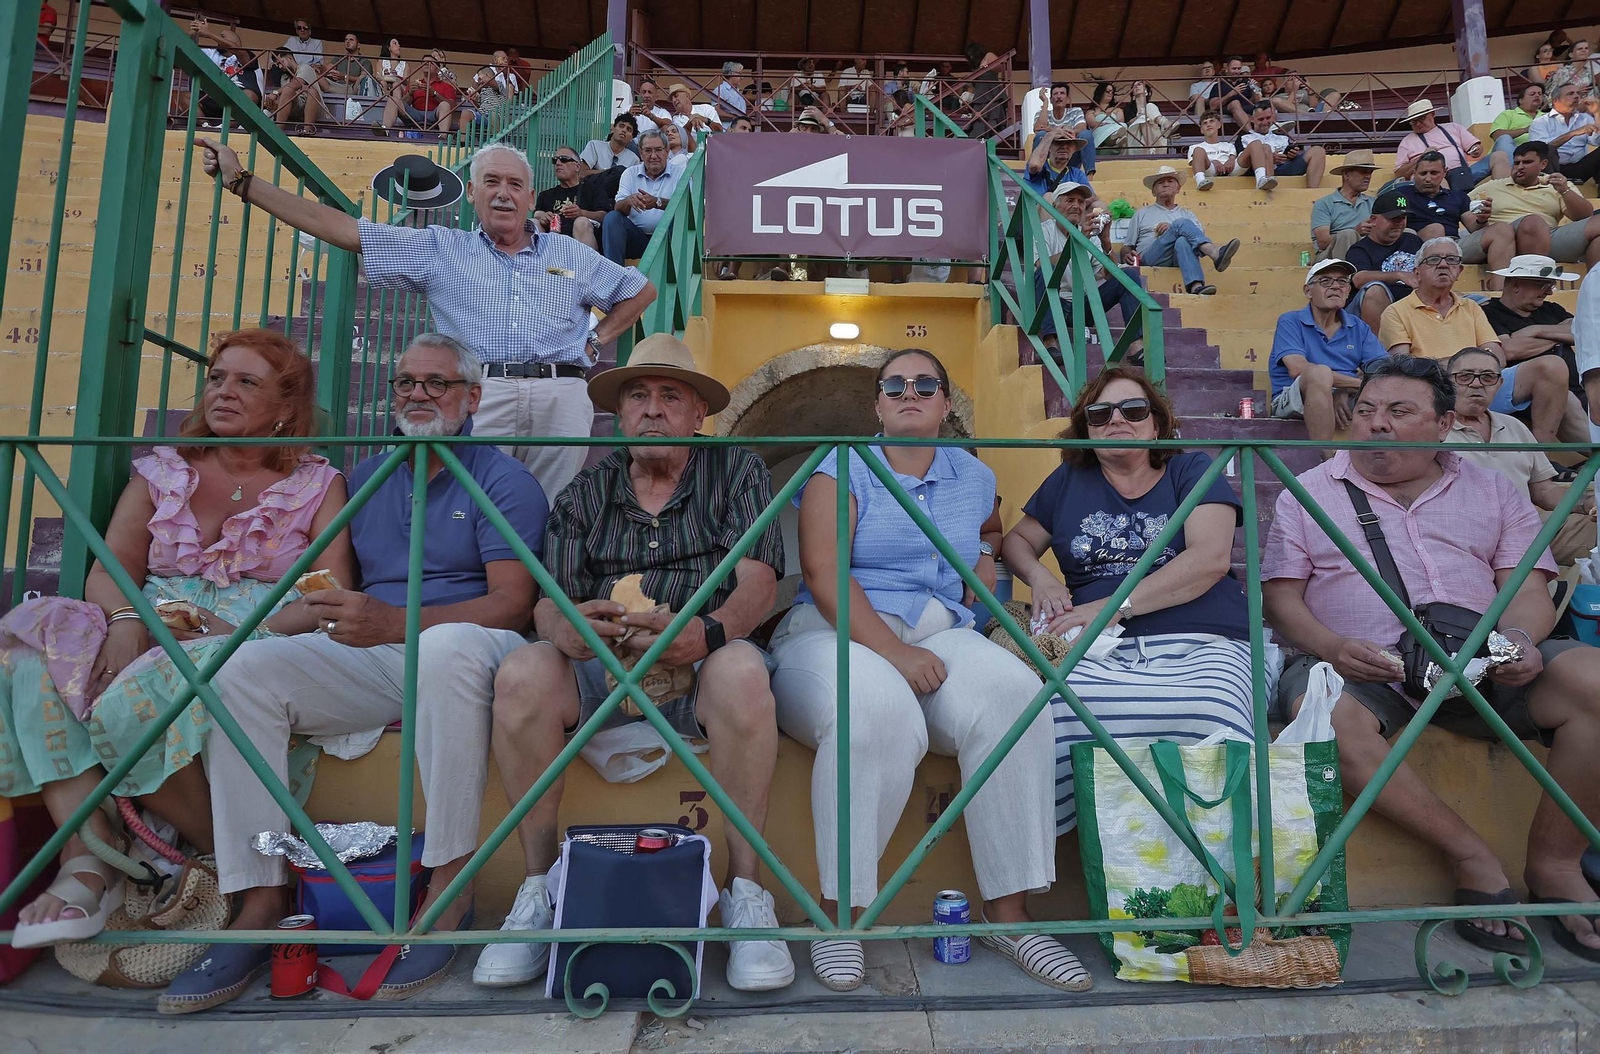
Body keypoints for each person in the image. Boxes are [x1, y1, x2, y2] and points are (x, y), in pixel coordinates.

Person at [152, 334, 546, 1012]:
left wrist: (397, 623)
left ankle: (449, 889)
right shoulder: (365, 478)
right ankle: (261, 896)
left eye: (437, 383)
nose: (418, 395)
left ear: (473, 398)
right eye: (406, 383)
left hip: (475, 646)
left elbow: (512, 604)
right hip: (376, 648)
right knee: (238, 669)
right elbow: (334, 585)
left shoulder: (505, 480)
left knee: (447, 648)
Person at [0, 330, 350, 951]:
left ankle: (230, 862)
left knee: (133, 697)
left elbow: (329, 592)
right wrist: (127, 622)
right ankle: (88, 855)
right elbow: (111, 569)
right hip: (145, 614)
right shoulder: (164, 470)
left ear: (286, 407)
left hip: (253, 632)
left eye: (247, 382)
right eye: (217, 378)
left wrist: (245, 631)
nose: (224, 392)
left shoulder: (318, 484)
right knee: (29, 650)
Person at [480, 334, 794, 993]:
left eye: (670, 396)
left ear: (698, 414)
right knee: (522, 674)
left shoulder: (737, 472)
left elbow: (759, 581)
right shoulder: (585, 491)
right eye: (638, 396)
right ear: (620, 414)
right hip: (601, 665)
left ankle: (746, 896)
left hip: (702, 663)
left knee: (743, 672)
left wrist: (706, 632)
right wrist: (569, 630)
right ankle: (539, 891)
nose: (652, 410)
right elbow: (548, 601)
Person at [1264, 354, 1600, 963]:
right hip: (1366, 669)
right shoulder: (1307, 492)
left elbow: (1527, 587)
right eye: (1366, 410)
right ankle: (1472, 856)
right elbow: (1281, 601)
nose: (1377, 424)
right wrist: (1333, 647)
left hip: (1486, 660)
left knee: (1593, 680)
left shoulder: (1492, 488)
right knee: (1324, 716)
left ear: (1445, 425)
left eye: (1399, 411)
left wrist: (1520, 640)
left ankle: (1556, 864)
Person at [770, 348, 1086, 994]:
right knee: (875, 709)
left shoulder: (973, 474)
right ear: (877, 405)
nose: (908, 392)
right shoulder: (840, 466)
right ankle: (840, 919)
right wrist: (895, 653)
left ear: (945, 403)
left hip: (941, 634)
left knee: (1016, 694)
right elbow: (825, 575)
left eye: (924, 384)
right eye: (894, 385)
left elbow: (991, 527)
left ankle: (1009, 917)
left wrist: (985, 559)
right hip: (835, 632)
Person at [196, 136, 655, 500]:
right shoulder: (442, 247)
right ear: (472, 192)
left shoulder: (568, 252)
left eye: (515, 185)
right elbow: (347, 232)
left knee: (553, 512)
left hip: (561, 392)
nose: (504, 193)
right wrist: (244, 183)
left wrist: (595, 340)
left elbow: (640, 291)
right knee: (471, 508)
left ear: (531, 195)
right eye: (492, 182)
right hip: (480, 394)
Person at [1002, 367, 1257, 835]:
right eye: (1100, 414)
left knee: (1210, 709)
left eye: (1133, 410)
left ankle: (1213, 849)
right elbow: (1016, 541)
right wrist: (1040, 577)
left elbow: (1210, 559)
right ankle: (1106, 846)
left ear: (1156, 423)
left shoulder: (1191, 470)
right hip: (1101, 649)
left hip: (1203, 640)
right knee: (1053, 713)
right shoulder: (1067, 481)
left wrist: (1111, 607)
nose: (1116, 420)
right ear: (1086, 430)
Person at [1377, 236, 1577, 445]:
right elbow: (1405, 367)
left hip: (1482, 381)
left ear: (1459, 271)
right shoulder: (1396, 311)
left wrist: (1465, 370)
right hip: (1436, 388)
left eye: (1451, 260)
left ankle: (1542, 451)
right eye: (1434, 260)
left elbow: (1497, 356)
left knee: (1552, 366)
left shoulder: (1471, 307)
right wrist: (1462, 369)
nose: (1444, 265)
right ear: (1417, 272)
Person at [1444, 347, 1596, 565]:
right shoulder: (1434, 431)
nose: (1477, 384)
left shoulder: (1514, 426)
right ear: (1447, 382)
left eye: (1488, 377)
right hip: (1467, 531)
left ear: (1499, 384)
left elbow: (1544, 491)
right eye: (1465, 376)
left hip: (1530, 527)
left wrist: (1587, 504)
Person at [1270, 259, 1385, 444]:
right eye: (1325, 281)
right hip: (1293, 398)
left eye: (1342, 281)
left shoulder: (1358, 327)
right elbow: (1298, 369)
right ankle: (1326, 456)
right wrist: (1346, 385)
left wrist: (1344, 390)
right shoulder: (1290, 321)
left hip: (1350, 396)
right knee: (1319, 373)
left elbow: (1383, 372)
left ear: (1348, 290)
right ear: (1308, 291)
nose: (1335, 286)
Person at [1482, 255, 1591, 443]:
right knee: (1566, 398)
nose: (1548, 292)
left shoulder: (1552, 309)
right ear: (1516, 285)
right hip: (1536, 396)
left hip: (1584, 389)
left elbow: (1585, 333)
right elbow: (1509, 349)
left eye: (1551, 285)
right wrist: (1559, 335)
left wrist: (1536, 330)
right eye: (1543, 285)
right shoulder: (1488, 312)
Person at [1034, 183, 1146, 357]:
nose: (1076, 206)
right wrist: (1077, 242)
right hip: (1054, 305)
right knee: (1044, 272)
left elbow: (1109, 274)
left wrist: (1106, 241)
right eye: (1070, 200)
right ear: (1055, 205)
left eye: (1080, 202)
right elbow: (1040, 265)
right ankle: (1050, 343)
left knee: (1129, 276)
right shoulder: (1042, 230)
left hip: (1082, 306)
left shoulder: (1090, 235)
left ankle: (1136, 347)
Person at [1403, 152, 1521, 290]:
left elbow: (1474, 228)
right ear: (1414, 173)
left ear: (1444, 172)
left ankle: (1499, 292)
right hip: (1420, 246)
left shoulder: (1457, 197)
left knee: (1503, 229)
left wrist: (1482, 219)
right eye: (1423, 173)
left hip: (1454, 245)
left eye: (1434, 173)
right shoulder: (1402, 195)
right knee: (1435, 229)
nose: (1428, 178)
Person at [1470, 142, 1598, 269]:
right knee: (1532, 221)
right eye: (1516, 163)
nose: (1520, 167)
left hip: (1547, 239)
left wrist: (1564, 190)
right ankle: (1529, 276)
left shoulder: (1559, 185)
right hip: (1505, 241)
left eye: (1527, 162)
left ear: (1543, 164)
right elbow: (1461, 204)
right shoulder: (1493, 186)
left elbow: (1585, 216)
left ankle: (1594, 280)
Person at [1122, 166, 1240, 297]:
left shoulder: (1188, 215)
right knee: (1180, 223)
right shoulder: (1141, 214)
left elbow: (1196, 243)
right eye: (1160, 183)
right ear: (1153, 191)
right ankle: (1214, 252)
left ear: (1178, 189)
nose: (1165, 184)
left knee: (1183, 240)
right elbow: (1127, 246)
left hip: (1179, 257)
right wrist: (1127, 254)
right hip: (1150, 257)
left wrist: (1171, 230)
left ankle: (1196, 286)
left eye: (1170, 181)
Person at [603, 129, 689, 265]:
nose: (653, 156)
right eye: (648, 151)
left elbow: (688, 207)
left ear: (667, 151)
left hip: (668, 239)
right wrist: (629, 201)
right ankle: (614, 273)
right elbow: (618, 207)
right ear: (641, 153)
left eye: (658, 150)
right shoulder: (630, 173)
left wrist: (657, 202)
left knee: (677, 218)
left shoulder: (681, 173)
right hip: (638, 239)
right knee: (612, 218)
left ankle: (674, 271)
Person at [1346, 187, 1425, 334]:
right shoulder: (1359, 249)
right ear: (1373, 220)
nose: (1399, 222)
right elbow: (1358, 279)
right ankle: (1378, 347)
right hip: (1374, 310)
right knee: (1375, 290)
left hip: (1413, 306)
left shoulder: (1413, 240)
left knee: (1470, 300)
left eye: (1403, 217)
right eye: (1393, 218)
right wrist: (1398, 275)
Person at [1394, 99, 1496, 185]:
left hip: (1463, 174)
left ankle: (1501, 193)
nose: (1418, 124)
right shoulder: (1407, 141)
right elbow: (1399, 174)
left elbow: (1476, 147)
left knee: (1498, 157)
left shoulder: (1453, 127)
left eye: (1421, 118)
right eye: (1413, 121)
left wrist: (1476, 149)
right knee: (1436, 178)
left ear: (1433, 114)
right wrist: (1422, 158)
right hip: (1434, 180)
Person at [533, 145, 610, 251]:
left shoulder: (593, 190)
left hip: (582, 241)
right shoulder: (545, 194)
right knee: (534, 223)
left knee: (581, 222)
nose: (558, 163)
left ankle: (584, 262)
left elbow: (604, 215)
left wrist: (582, 213)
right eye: (555, 160)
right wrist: (543, 217)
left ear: (577, 167)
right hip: (553, 242)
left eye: (564, 159)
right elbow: (537, 213)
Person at [1235, 102, 1326, 192]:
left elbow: (1287, 157)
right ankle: (1266, 184)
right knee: (1265, 148)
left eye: (1268, 118)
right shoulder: (1244, 138)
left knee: (1318, 151)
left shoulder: (1282, 137)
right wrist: (1269, 158)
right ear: (1252, 119)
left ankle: (1312, 192)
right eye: (1261, 119)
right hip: (1257, 172)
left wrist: (1291, 155)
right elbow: (1242, 163)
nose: (1265, 122)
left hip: (1283, 168)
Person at [1311, 149, 1378, 261]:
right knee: (1347, 235)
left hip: (1366, 252)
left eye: (1370, 172)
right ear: (1346, 175)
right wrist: (1355, 232)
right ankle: (1345, 272)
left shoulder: (1373, 202)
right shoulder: (1324, 203)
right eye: (1363, 172)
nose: (1368, 176)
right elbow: (1322, 242)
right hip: (1331, 258)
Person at [1530, 81, 1600, 187]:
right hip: (1554, 170)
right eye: (1570, 94)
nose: (1576, 96)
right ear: (1555, 100)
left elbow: (1596, 141)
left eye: (1578, 93)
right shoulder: (1540, 122)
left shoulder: (1585, 118)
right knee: (1549, 149)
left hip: (1580, 167)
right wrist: (1574, 133)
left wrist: (1597, 113)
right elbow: (1542, 149)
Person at [1033, 83, 1095, 175]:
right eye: (1055, 94)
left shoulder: (1076, 111)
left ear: (1067, 99)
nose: (1058, 96)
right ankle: (1038, 175)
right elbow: (1038, 129)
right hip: (1050, 158)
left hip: (1071, 156)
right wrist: (1045, 103)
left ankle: (1089, 177)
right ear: (1051, 99)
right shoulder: (1042, 113)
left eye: (1062, 93)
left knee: (1086, 134)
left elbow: (1081, 128)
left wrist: (1053, 131)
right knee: (1040, 135)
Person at [262, 48, 326, 135]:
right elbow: (285, 99)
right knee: (287, 92)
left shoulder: (305, 68)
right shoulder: (284, 78)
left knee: (312, 92)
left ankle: (307, 131)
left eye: (281, 62)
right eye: (278, 65)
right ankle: (278, 132)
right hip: (296, 110)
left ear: (289, 58)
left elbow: (297, 83)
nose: (280, 67)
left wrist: (275, 93)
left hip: (314, 108)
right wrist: (271, 104)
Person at [1491, 84, 1547, 169]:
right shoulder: (1508, 114)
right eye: (1532, 94)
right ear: (1521, 100)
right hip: (1512, 153)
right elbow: (1497, 135)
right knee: (1504, 138)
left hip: (1537, 154)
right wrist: (1525, 130)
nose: (1537, 96)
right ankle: (1515, 170)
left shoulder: (1546, 117)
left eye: (1540, 94)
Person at [1025, 126, 1092, 196]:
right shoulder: (1040, 166)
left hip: (1063, 203)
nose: (1064, 146)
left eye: (1069, 143)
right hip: (1037, 203)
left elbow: (1092, 198)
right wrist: (1050, 135)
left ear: (1074, 149)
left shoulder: (1077, 174)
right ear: (1049, 147)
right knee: (1048, 196)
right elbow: (1034, 165)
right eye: (1059, 142)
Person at [324, 32, 372, 123]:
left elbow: (364, 78)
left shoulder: (365, 61)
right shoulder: (339, 58)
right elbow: (326, 70)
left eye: (351, 40)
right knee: (316, 76)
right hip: (336, 86)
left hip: (352, 89)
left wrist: (345, 77)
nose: (347, 41)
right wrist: (318, 68)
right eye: (346, 39)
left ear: (358, 45)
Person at [1187, 113, 1238, 191]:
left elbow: (1233, 156)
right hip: (1209, 169)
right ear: (1201, 130)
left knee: (1254, 144)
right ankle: (1201, 181)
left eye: (1211, 121)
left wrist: (1231, 160)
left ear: (1219, 125)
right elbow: (1193, 163)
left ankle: (1259, 178)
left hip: (1231, 169)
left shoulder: (1229, 145)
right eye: (1205, 123)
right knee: (1198, 150)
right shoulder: (1193, 147)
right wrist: (1213, 161)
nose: (1208, 125)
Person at [1118, 80, 1174, 150]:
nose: (1136, 87)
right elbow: (1128, 123)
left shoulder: (1152, 105)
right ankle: (1166, 124)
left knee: (1149, 107)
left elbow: (1157, 125)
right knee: (1143, 119)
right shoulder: (1129, 107)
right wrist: (1140, 116)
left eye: (1139, 84)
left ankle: (1164, 124)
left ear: (1146, 90)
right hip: (1135, 137)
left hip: (1154, 137)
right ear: (1132, 92)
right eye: (1134, 86)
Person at [1215, 56, 1261, 129]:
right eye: (1234, 69)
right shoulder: (1219, 85)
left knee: (1266, 104)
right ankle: (1251, 132)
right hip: (1228, 110)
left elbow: (1257, 102)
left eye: (1239, 69)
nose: (1236, 71)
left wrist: (1254, 89)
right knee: (1235, 103)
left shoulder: (1246, 82)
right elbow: (1213, 106)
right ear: (1227, 69)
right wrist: (1231, 94)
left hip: (1247, 109)